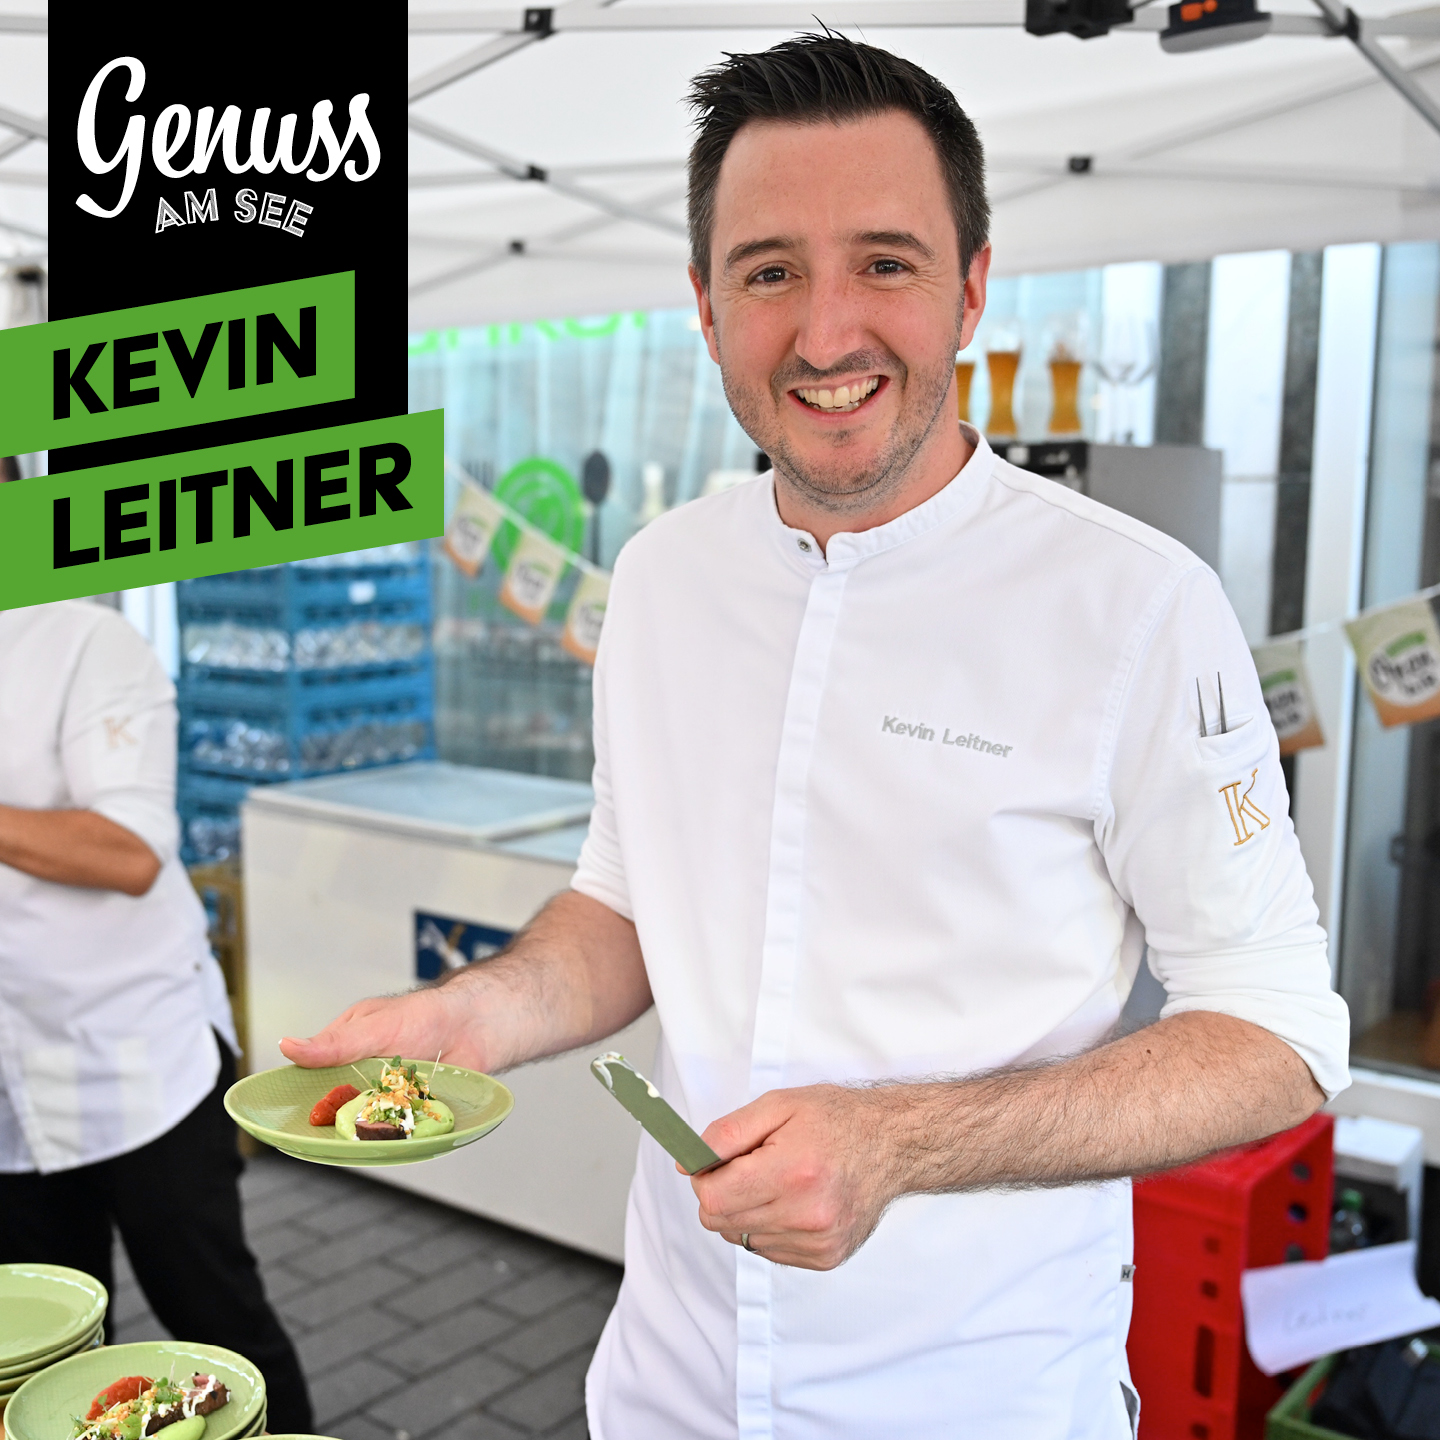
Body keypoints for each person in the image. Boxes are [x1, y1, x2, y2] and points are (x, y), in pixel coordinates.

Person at [283, 34, 1350, 1439]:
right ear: (704, 304)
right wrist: (467, 1015)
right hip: (666, 1386)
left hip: (981, 1402)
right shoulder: (662, 576)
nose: (828, 334)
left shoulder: (1137, 606)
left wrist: (901, 1142)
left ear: (973, 287)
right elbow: (627, 902)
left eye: (886, 263)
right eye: (770, 271)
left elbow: (1277, 1030)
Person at [0, 598, 312, 1433]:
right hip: (10, 1086)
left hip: (135, 1055)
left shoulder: (85, 639)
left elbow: (132, 850)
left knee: (215, 1319)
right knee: (42, 1359)